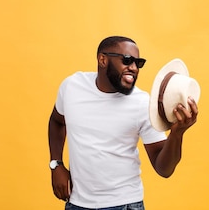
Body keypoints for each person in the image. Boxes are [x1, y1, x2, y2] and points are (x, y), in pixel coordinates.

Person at [48, 36, 199, 209]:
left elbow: (164, 169)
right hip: (77, 203)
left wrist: (177, 134)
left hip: (124, 204)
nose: (134, 68)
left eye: (138, 63)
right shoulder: (72, 87)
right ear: (103, 59)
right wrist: (56, 164)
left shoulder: (142, 103)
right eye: (127, 61)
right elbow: (57, 121)